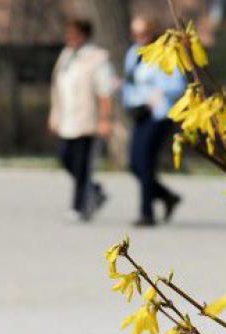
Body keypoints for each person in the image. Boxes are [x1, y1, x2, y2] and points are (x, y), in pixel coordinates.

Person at [49, 18, 116, 222]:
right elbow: (57, 88)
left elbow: (105, 92)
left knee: (82, 164)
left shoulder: (97, 58)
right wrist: (54, 114)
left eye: (74, 34)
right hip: (68, 119)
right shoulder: (66, 56)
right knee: (65, 158)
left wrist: (105, 120)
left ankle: (79, 207)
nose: (70, 38)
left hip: (88, 120)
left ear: (84, 35)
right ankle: (94, 191)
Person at [122, 16, 186, 227]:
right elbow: (130, 81)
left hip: (159, 114)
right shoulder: (133, 53)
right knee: (134, 163)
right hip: (140, 113)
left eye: (143, 34)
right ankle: (167, 196)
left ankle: (146, 213)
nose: (139, 38)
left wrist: (159, 93)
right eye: (135, 34)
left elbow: (178, 83)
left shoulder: (165, 53)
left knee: (146, 162)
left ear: (152, 33)